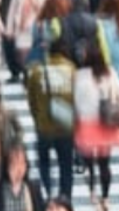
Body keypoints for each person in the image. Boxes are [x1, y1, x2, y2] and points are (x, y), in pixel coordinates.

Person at [73, 47, 119, 211]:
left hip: (86, 124)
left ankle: (93, 195)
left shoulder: (79, 75)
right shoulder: (110, 72)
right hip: (106, 124)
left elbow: (74, 101)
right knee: (105, 164)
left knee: (89, 165)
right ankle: (106, 198)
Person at [25, 39, 79, 199]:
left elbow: (31, 100)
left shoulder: (37, 71)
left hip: (44, 126)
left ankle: (47, 192)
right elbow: (78, 98)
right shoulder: (71, 70)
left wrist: (37, 118)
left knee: (44, 163)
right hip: (65, 126)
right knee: (66, 165)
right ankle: (65, 196)